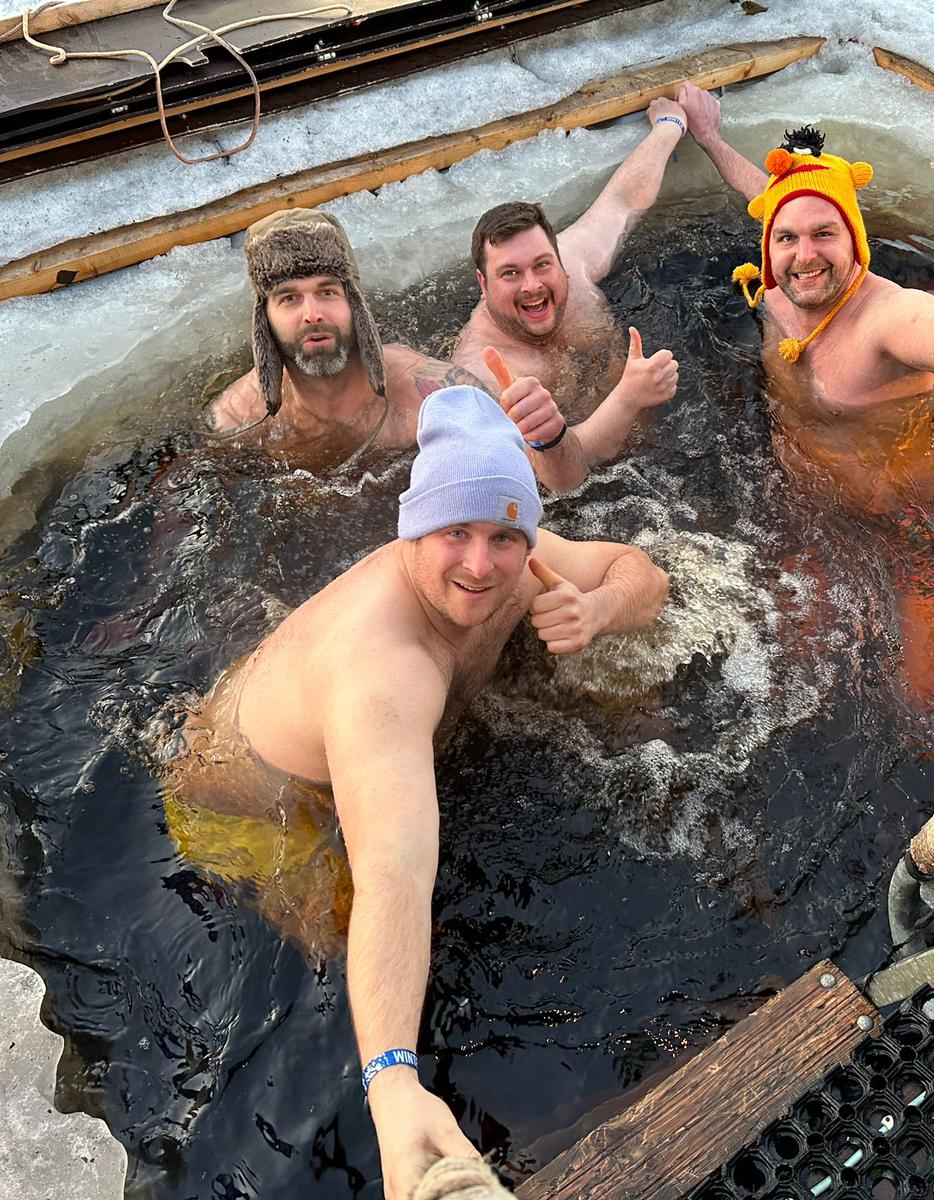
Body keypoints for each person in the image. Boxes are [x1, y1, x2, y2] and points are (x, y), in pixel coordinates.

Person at [164, 385, 668, 1199]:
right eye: (455, 534)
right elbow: (395, 873)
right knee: (352, 944)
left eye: (505, 535)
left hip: (354, 744)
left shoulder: (512, 562)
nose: (480, 565)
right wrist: (392, 1078)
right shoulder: (384, 671)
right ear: (413, 525)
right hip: (245, 810)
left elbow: (643, 572)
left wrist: (599, 609)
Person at [678, 84, 934, 726]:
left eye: (824, 234)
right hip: (808, 510)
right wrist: (707, 135)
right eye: (786, 238)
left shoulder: (887, 317)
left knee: (928, 710)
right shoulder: (778, 286)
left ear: (854, 237)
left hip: (915, 525)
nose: (804, 254)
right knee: (780, 684)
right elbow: (763, 194)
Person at [211, 207, 589, 490]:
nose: (312, 314)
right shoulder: (241, 416)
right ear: (266, 320)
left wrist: (549, 435)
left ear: (354, 304)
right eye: (289, 298)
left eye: (327, 292)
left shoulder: (431, 395)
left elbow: (557, 486)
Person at [451, 95, 691, 465]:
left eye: (542, 265)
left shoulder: (573, 267)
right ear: (483, 285)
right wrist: (629, 397)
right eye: (510, 273)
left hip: (664, 442)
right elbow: (553, 468)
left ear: (559, 259)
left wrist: (670, 125)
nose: (532, 285)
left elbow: (624, 201)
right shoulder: (485, 373)